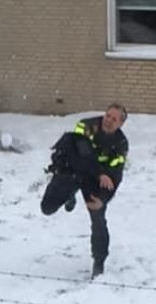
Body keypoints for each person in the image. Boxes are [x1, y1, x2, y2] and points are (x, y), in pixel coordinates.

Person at [41, 104, 130, 279]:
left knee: (98, 218)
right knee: (47, 208)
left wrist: (103, 200)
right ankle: (69, 196)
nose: (108, 120)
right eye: (107, 115)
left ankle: (99, 263)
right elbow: (81, 155)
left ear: (121, 124)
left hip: (93, 181)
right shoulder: (86, 126)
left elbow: (115, 176)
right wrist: (100, 172)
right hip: (71, 171)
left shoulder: (121, 143)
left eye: (114, 119)